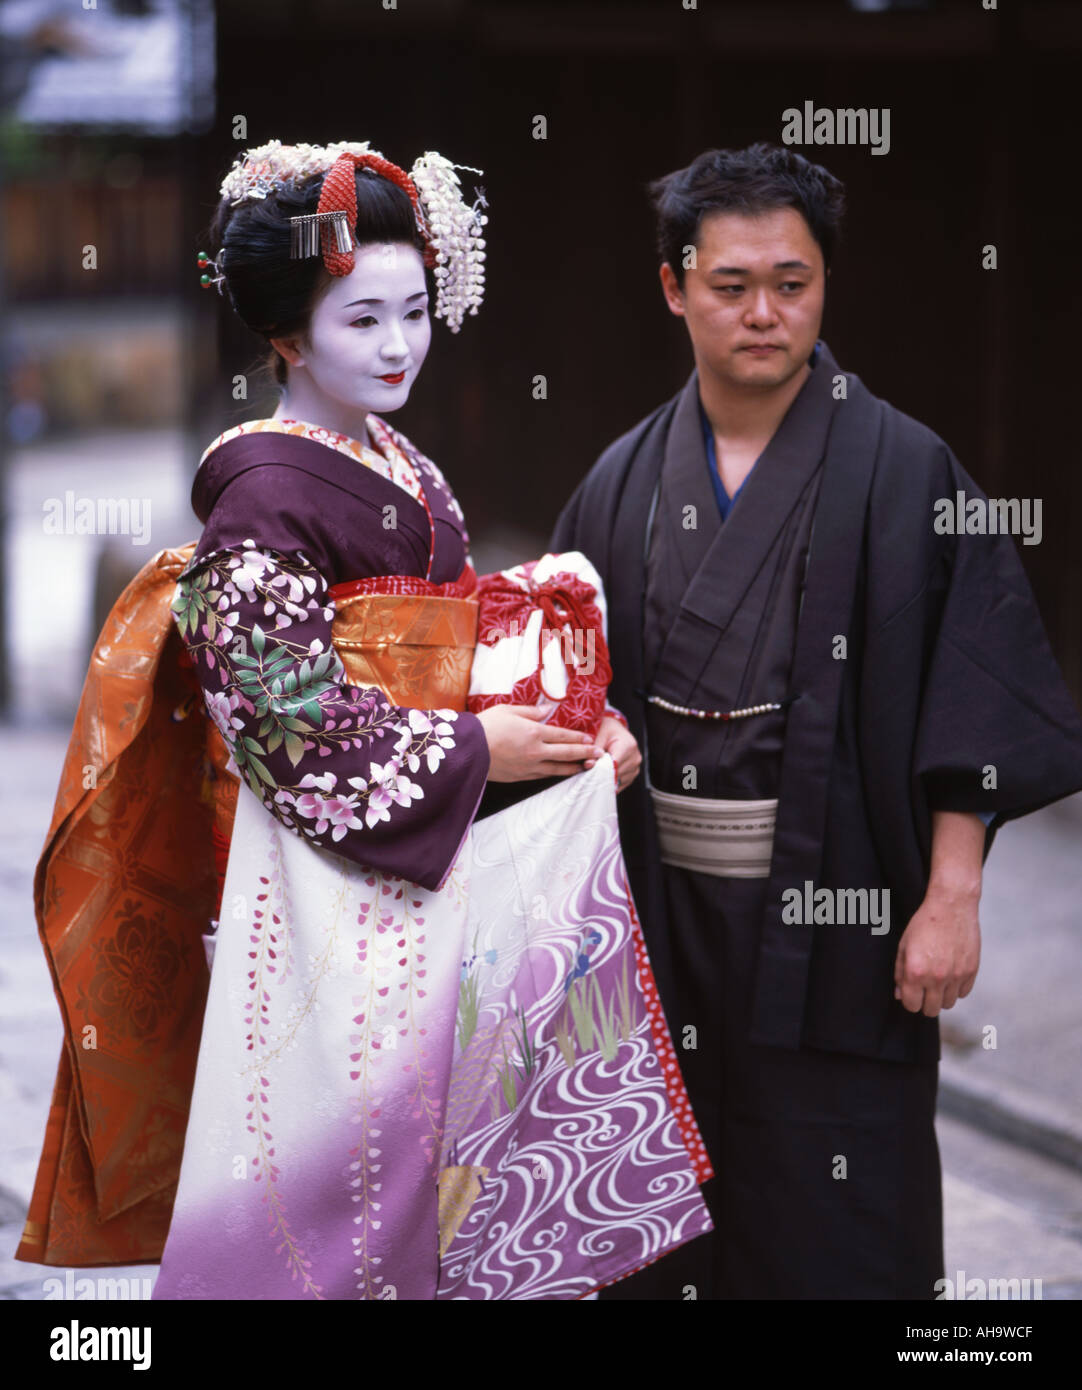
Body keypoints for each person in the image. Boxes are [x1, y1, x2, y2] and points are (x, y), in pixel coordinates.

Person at [16, 139, 712, 1299]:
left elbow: (454, 643)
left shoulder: (395, 458)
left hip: (415, 861)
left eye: (414, 313)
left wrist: (578, 718)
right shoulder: (263, 494)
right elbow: (288, 728)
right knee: (337, 1186)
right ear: (287, 333)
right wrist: (479, 746)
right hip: (315, 883)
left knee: (434, 1169)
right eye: (360, 321)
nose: (397, 348)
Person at [549, 142, 1082, 1299]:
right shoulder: (618, 481)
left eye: (790, 284)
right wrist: (585, 733)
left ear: (824, 286)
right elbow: (557, 687)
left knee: (838, 1235)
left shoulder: (906, 471)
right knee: (658, 1231)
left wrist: (951, 898)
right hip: (657, 917)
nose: (760, 312)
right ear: (672, 286)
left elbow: (974, 700)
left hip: (841, 921)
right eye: (729, 285)